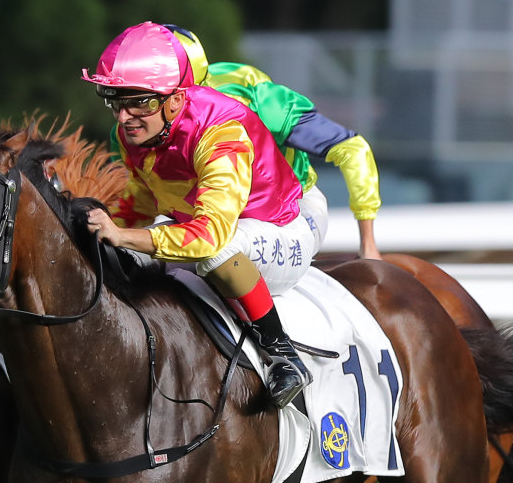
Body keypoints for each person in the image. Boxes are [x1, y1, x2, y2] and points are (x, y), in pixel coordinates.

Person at [79, 22, 315, 407]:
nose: (125, 118)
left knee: (212, 253)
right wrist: (104, 223)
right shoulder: (137, 131)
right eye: (117, 102)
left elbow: (208, 236)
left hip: (282, 226)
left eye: (140, 101)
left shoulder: (220, 133)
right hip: (219, 223)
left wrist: (123, 236)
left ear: (176, 98)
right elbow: (142, 198)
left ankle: (282, 354)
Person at [163, 27, 383, 260]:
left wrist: (367, 243)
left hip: (292, 209)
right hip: (218, 211)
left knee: (222, 252)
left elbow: (353, 148)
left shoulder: (261, 102)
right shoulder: (138, 120)